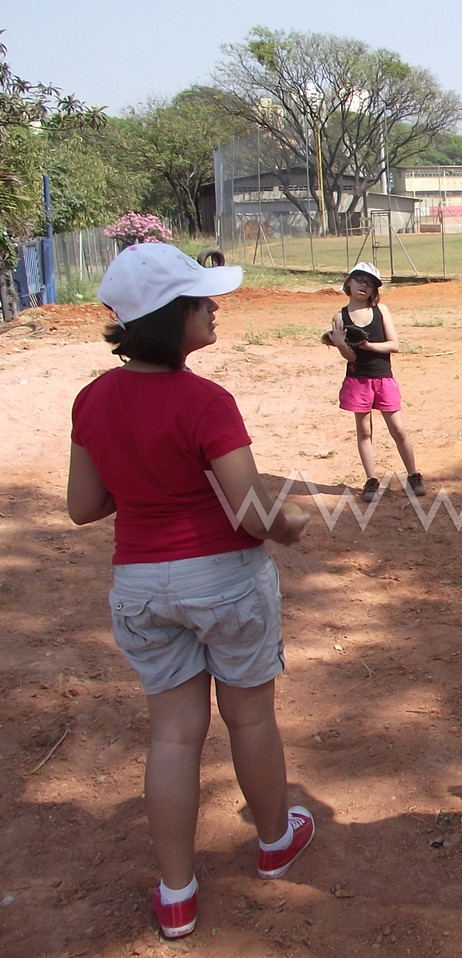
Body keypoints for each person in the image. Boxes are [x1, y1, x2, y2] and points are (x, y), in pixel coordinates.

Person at [69, 243, 316, 939]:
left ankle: (176, 893)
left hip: (141, 585)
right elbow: (252, 513)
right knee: (250, 718)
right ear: (167, 317)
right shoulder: (206, 401)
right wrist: (292, 525)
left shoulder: (93, 399)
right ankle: (275, 842)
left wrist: (143, 481)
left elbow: (83, 506)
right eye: (200, 300)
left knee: (174, 735)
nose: (213, 308)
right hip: (224, 581)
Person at [322, 262, 425, 501]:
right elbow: (351, 357)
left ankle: (413, 475)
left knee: (398, 429)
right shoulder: (340, 317)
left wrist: (367, 345)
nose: (364, 286)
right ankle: (371, 480)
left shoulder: (381, 311)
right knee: (364, 431)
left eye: (370, 283)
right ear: (349, 282)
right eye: (359, 280)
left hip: (383, 378)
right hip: (358, 380)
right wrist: (340, 344)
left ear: (374, 290)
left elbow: (394, 345)